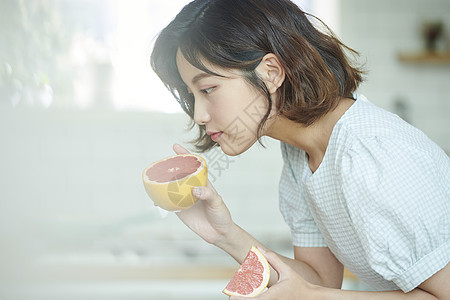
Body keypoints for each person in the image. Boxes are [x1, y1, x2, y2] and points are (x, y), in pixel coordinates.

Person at [150, 0, 450, 298]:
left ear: (271, 72)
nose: (199, 115)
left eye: (208, 89)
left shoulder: (369, 153)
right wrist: (225, 234)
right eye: (192, 94)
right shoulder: (302, 157)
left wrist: (309, 295)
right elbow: (319, 280)